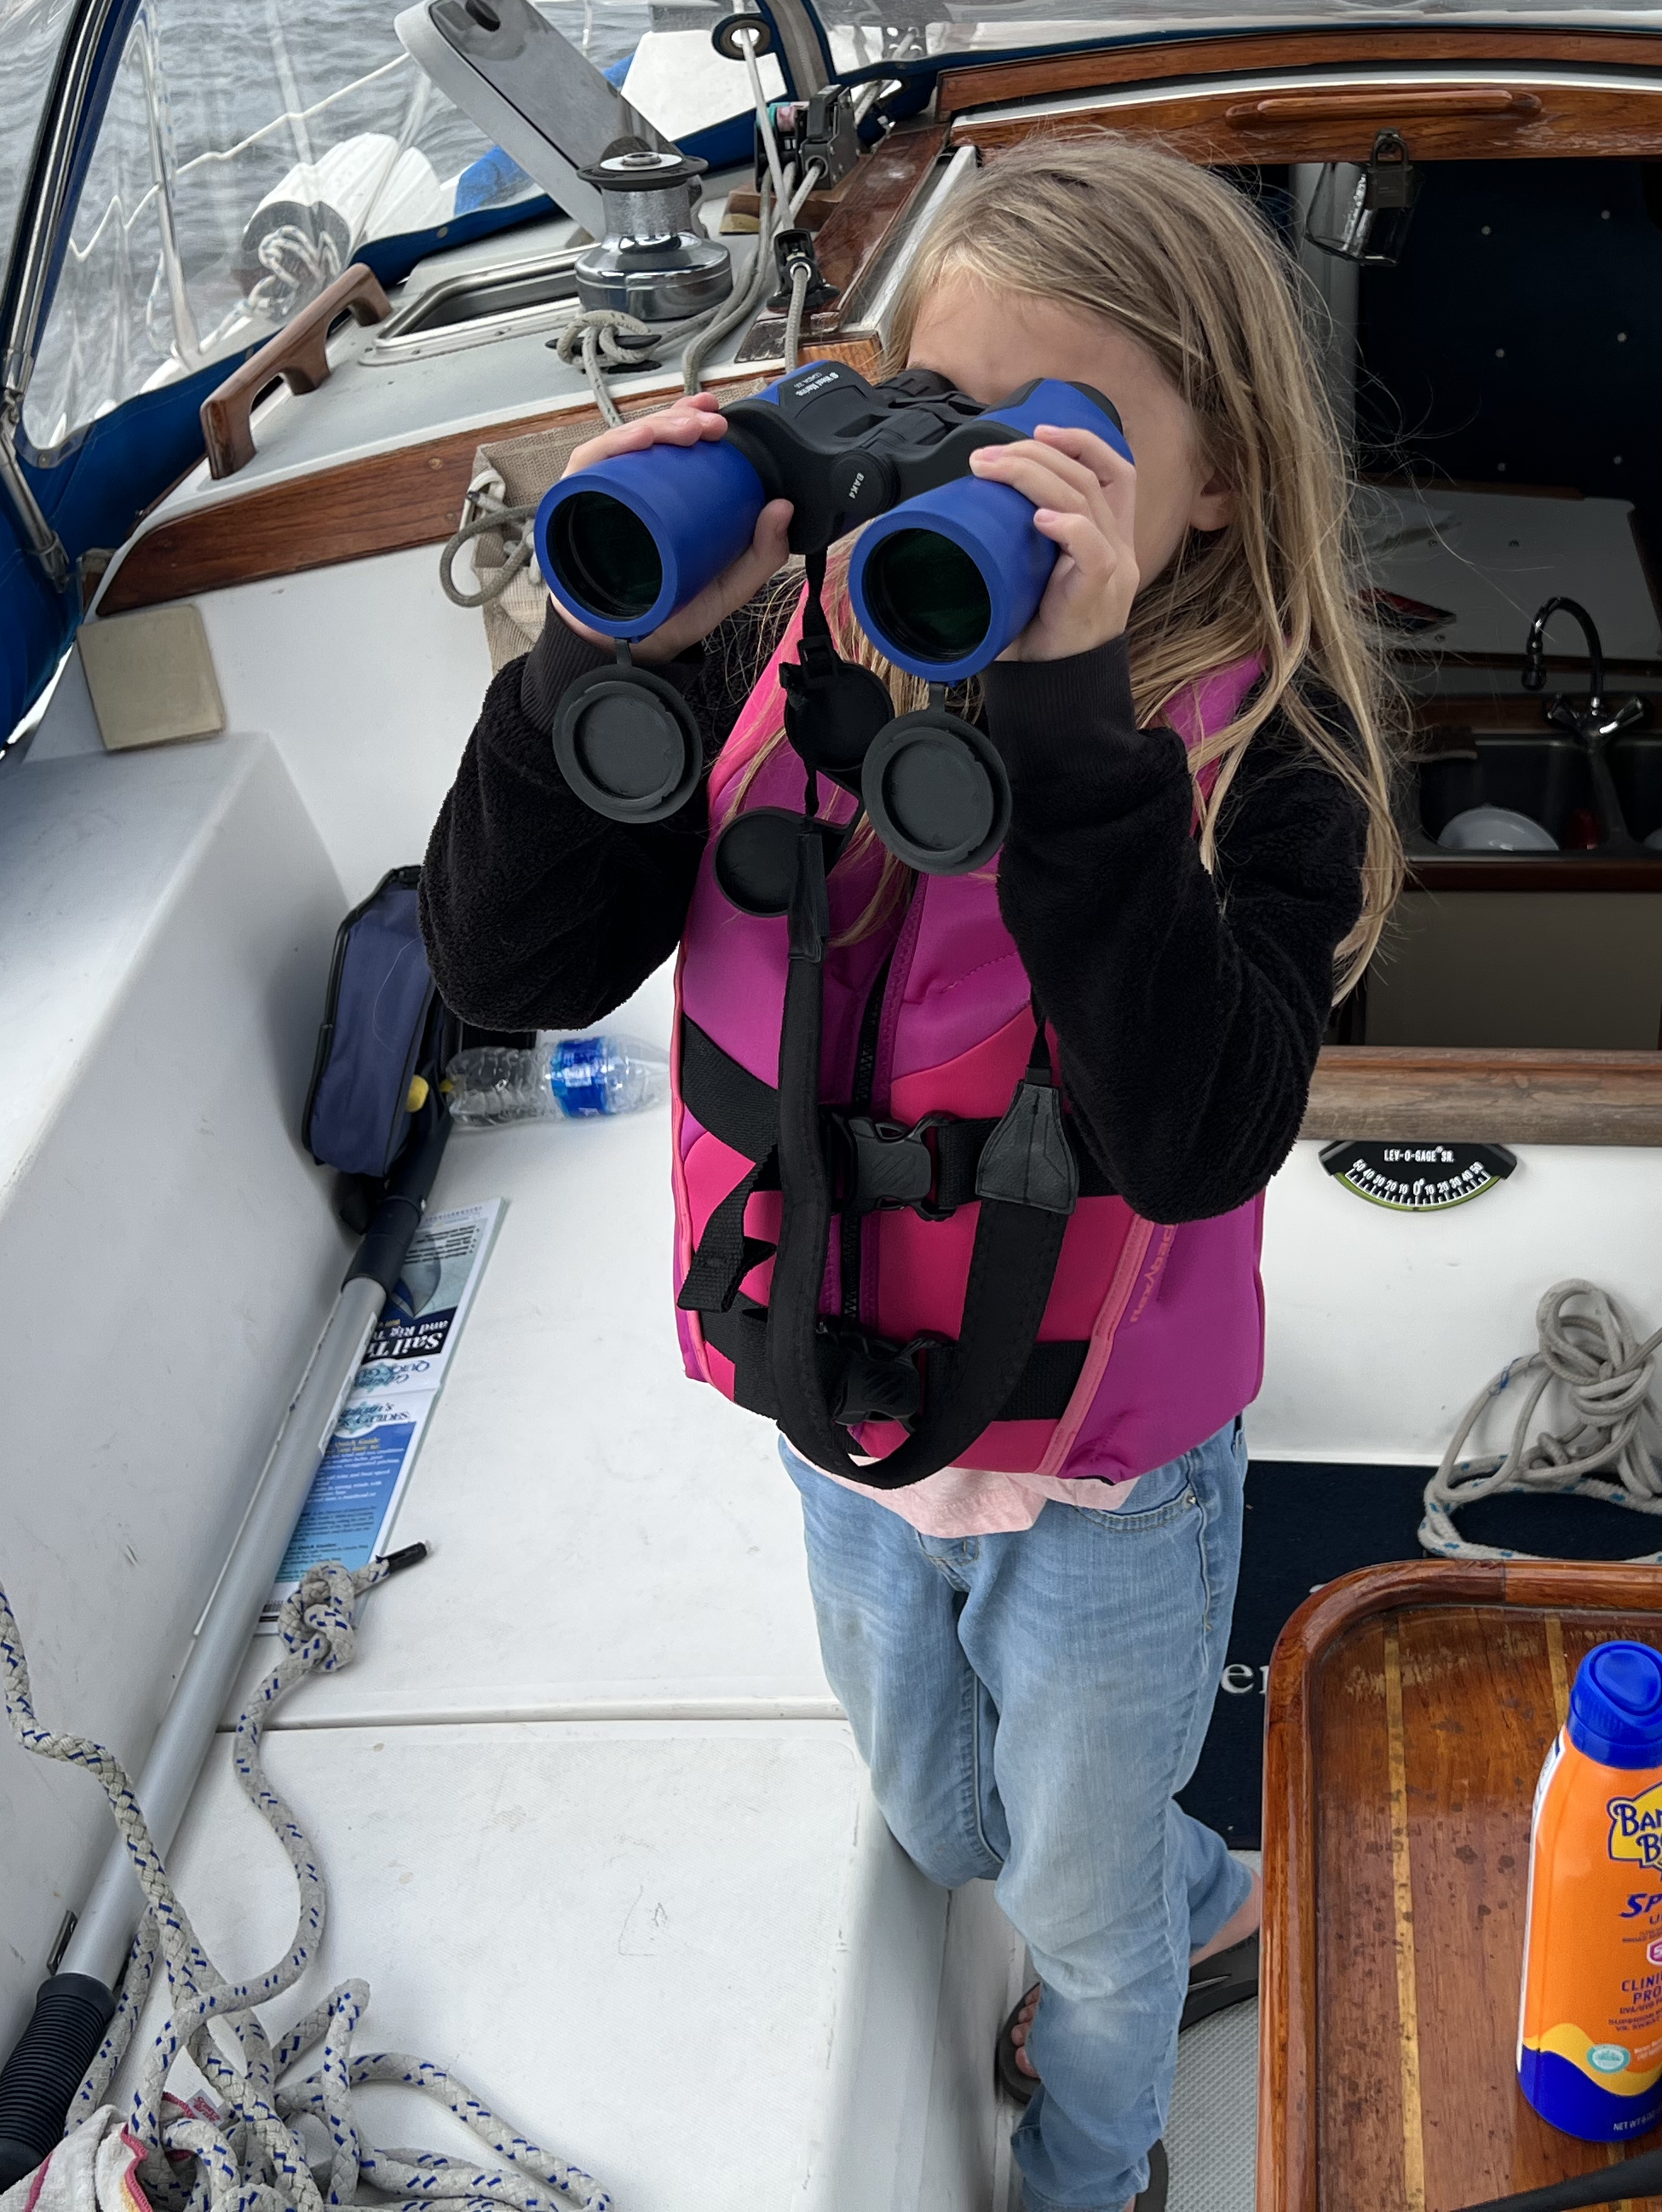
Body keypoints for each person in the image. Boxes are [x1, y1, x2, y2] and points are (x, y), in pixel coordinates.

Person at [421, 139, 1399, 2211]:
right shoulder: (786, 648)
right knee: (950, 1824)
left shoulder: (1265, 756)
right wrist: (602, 659)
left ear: (1212, 485)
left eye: (1068, 448)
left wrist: (1064, 729)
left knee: (1081, 1921)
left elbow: (1198, 1135)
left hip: (1107, 1475)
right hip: (838, 1395)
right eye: (955, 425)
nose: (987, 495)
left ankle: (1095, 2159)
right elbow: (507, 969)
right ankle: (1186, 1857)